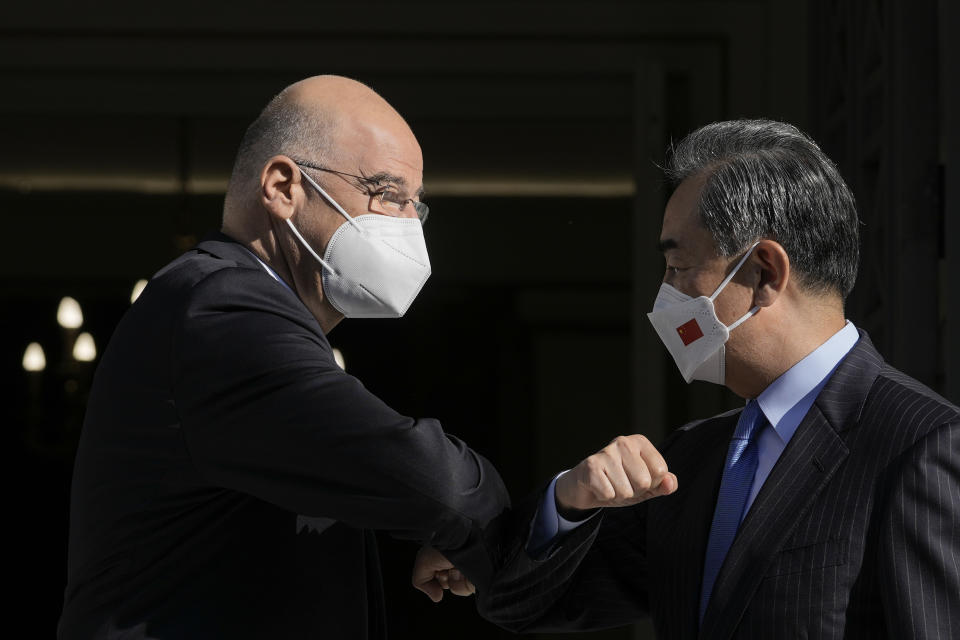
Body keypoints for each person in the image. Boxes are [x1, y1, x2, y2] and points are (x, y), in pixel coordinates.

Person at [415, 119, 960, 638]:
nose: (664, 296)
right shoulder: (694, 462)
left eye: (678, 268)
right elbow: (523, 602)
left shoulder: (920, 447)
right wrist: (568, 503)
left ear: (763, 272)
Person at [59, 75, 508, 639]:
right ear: (282, 186)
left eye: (415, 208)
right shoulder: (223, 308)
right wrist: (500, 521)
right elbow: (431, 478)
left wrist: (435, 528)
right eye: (388, 193)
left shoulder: (246, 311)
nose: (407, 226)